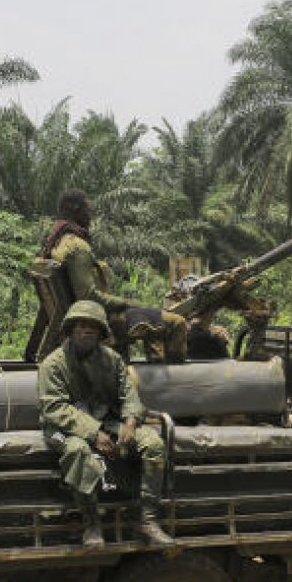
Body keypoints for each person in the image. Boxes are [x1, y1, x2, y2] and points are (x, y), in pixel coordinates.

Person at [39, 300, 174, 548]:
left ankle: (148, 520)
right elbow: (55, 408)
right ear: (70, 329)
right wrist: (94, 433)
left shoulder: (111, 359)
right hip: (66, 426)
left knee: (153, 443)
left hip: (107, 420)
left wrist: (131, 422)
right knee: (78, 451)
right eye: (81, 325)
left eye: (93, 326)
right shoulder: (53, 364)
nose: (87, 330)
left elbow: (128, 395)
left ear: (102, 332)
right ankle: (91, 523)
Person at [41, 189, 187, 362]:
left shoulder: (58, 241)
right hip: (99, 317)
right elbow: (88, 296)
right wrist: (126, 302)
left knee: (149, 315)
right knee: (177, 322)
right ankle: (175, 382)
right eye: (88, 210)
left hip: (82, 313)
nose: (90, 216)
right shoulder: (78, 247)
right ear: (75, 209)